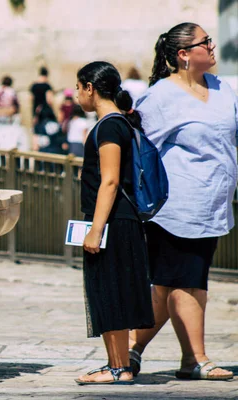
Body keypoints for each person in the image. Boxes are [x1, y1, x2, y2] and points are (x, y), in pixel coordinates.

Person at [129, 22, 237, 381]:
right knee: (188, 283)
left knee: (167, 285)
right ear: (184, 54)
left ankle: (132, 349)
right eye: (204, 42)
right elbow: (141, 150)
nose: (212, 45)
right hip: (176, 206)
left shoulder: (225, 89)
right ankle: (198, 358)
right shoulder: (161, 97)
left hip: (213, 204)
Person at [74, 61, 155, 385]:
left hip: (113, 222)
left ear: (90, 88)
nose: (78, 94)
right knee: (110, 292)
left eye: (79, 88)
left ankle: (118, 366)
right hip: (120, 220)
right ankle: (116, 365)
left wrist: (95, 229)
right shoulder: (119, 123)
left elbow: (109, 181)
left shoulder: (109, 126)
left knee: (112, 293)